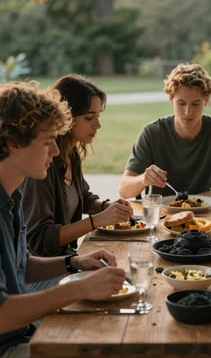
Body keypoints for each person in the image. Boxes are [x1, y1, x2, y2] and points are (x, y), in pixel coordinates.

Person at [0, 81, 125, 358]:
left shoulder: (12, 197)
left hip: (23, 334)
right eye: (47, 142)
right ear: (13, 144)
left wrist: (73, 262)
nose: (56, 152)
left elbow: (21, 266)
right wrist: (77, 287)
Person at [22, 74, 133, 257]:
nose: (98, 125)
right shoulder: (43, 165)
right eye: (89, 118)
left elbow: (83, 197)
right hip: (44, 268)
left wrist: (107, 207)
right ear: (67, 117)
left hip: (68, 258)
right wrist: (96, 221)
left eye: (98, 116)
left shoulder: (70, 153)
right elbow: (39, 239)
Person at [118, 63, 211, 202]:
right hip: (165, 217)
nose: (188, 111)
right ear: (171, 99)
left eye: (195, 104)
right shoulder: (152, 133)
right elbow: (124, 190)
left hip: (210, 218)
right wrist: (143, 179)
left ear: (206, 101)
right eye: (181, 103)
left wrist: (186, 201)